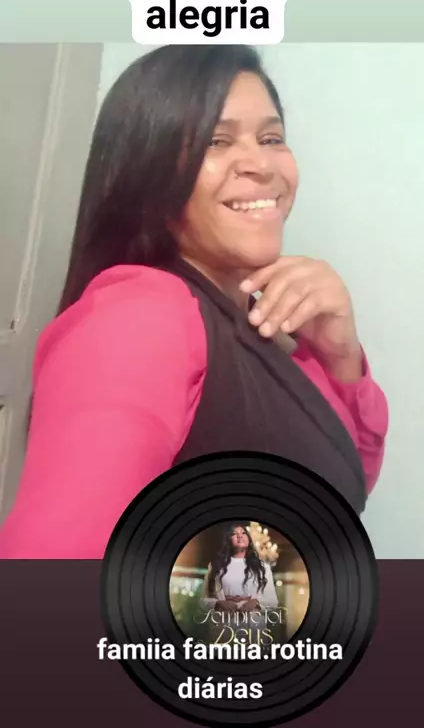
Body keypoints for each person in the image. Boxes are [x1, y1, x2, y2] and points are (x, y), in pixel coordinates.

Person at [0, 45, 389, 559]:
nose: (260, 164)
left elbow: (343, 481)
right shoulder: (141, 318)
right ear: (150, 171)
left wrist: (341, 358)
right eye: (216, 141)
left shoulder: (265, 325)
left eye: (271, 138)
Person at [201, 524, 279, 614]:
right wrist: (218, 603)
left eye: (243, 533)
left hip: (253, 620)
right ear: (228, 540)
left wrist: (256, 603)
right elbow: (203, 601)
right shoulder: (216, 566)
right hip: (224, 620)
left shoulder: (263, 567)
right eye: (234, 533)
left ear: (249, 539)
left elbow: (273, 602)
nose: (240, 536)